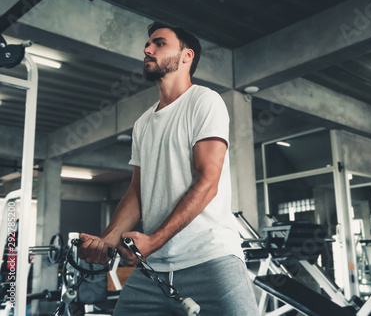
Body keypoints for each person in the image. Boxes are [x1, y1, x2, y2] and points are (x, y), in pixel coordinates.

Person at [78, 21, 259, 316]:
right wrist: (108, 238)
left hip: (211, 260)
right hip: (153, 270)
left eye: (159, 43)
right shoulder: (143, 123)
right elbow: (136, 193)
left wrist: (153, 240)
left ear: (186, 56)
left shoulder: (205, 102)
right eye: (148, 45)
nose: (148, 49)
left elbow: (207, 182)